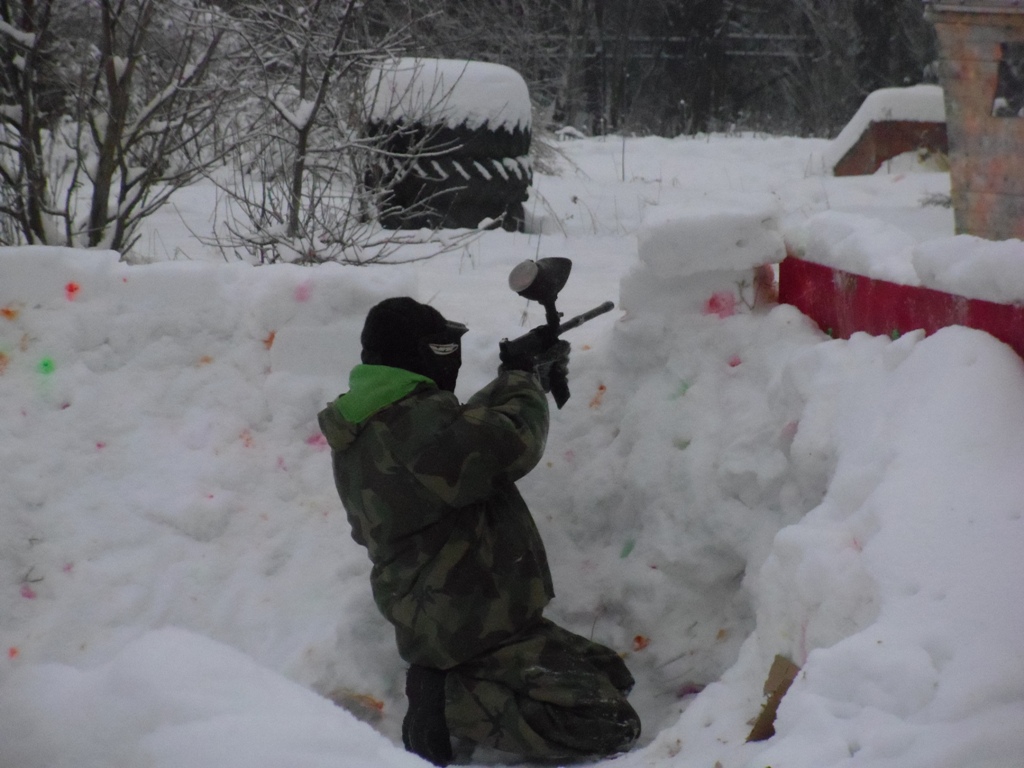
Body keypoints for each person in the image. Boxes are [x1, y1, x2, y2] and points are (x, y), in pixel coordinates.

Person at [318, 297, 640, 765]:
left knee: (610, 674)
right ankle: (442, 699)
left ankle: (454, 688)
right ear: (422, 353)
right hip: (465, 632)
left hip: (474, 616)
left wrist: (518, 373)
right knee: (608, 722)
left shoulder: (384, 417)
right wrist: (522, 377)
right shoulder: (413, 425)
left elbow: (467, 432)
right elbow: (511, 441)